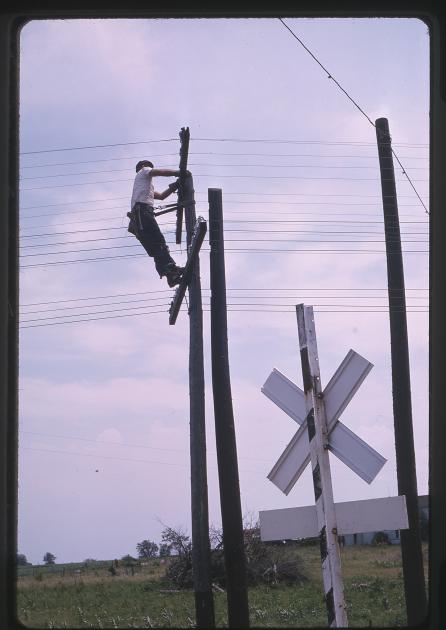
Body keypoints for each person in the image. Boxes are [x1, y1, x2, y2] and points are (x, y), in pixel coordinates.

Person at [128, 160, 186, 287]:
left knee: (155, 248)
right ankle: (171, 269)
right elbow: (161, 172)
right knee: (159, 241)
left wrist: (174, 186)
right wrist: (179, 173)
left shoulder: (142, 188)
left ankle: (170, 275)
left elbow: (161, 196)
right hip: (142, 212)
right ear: (143, 167)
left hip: (138, 219)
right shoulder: (143, 171)